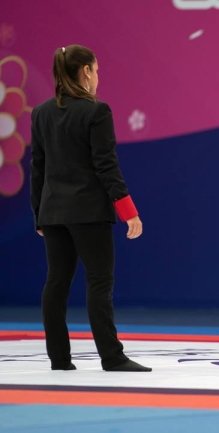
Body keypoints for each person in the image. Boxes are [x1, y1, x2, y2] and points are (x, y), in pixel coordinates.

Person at [30, 45, 151, 372]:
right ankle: (112, 357)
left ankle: (60, 359)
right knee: (99, 283)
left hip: (53, 212)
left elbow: (37, 168)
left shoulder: (40, 112)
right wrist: (129, 211)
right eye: (96, 70)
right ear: (85, 71)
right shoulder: (96, 111)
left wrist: (38, 213)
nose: (98, 77)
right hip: (88, 213)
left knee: (56, 282)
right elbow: (106, 167)